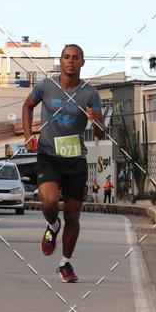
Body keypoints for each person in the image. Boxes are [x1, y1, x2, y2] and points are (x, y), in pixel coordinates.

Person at [21, 44, 105, 282]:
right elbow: (27, 106)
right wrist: (28, 135)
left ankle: (65, 263)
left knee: (73, 216)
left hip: (75, 159)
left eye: (75, 58)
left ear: (82, 62)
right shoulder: (46, 86)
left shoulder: (91, 94)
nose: (71, 61)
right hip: (49, 155)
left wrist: (96, 120)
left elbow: (100, 133)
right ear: (61, 61)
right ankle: (52, 225)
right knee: (48, 202)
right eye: (66, 57)